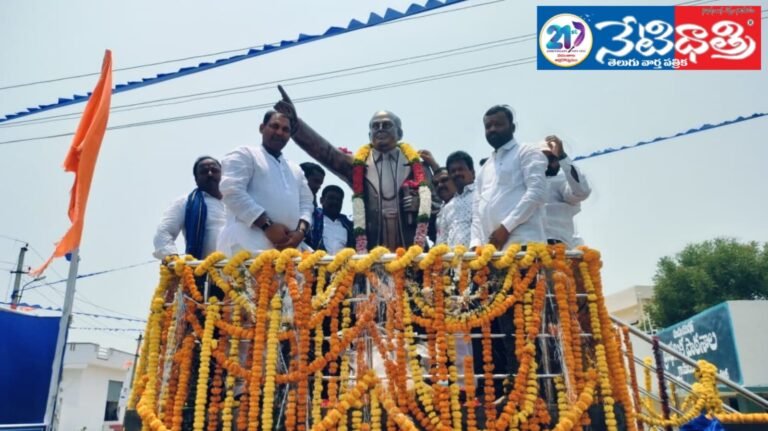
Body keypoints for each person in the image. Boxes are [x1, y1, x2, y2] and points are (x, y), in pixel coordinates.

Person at [274, 86, 434, 252]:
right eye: (375, 126)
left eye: (386, 125)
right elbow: (326, 153)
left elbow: (436, 203)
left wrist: (419, 204)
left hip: (412, 249)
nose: (380, 129)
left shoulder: (418, 167)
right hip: (372, 250)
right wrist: (295, 125)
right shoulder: (358, 165)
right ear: (369, 135)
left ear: (400, 133)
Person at [216, 111, 314, 255]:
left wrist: (300, 232)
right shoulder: (245, 154)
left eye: (285, 129)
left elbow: (307, 204)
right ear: (262, 128)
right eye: (275, 126)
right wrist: (267, 226)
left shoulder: (295, 169)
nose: (280, 132)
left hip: (289, 250)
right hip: (246, 245)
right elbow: (231, 192)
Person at [470, 105, 548, 251]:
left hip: (524, 244)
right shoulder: (485, 167)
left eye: (498, 124)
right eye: (488, 126)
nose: (492, 129)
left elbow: (537, 193)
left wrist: (506, 228)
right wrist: (475, 244)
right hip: (491, 250)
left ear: (512, 127)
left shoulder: (527, 152)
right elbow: (476, 210)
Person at [153, 156, 226, 260]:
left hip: (244, 271)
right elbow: (163, 231)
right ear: (196, 179)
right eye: (204, 172)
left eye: (214, 170)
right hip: (205, 271)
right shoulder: (185, 202)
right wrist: (172, 258)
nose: (210, 174)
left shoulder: (237, 201)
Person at [541, 135, 591, 248]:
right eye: (545, 159)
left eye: (553, 159)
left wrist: (562, 155)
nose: (549, 163)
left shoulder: (562, 181)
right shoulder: (523, 184)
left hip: (557, 247)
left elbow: (582, 192)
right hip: (527, 246)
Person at [307, 185, 354, 255]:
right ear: (321, 200)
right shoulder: (312, 219)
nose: (335, 202)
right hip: (316, 263)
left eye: (338, 200)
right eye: (331, 198)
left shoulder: (348, 225)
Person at [442, 150, 476, 247]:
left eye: (461, 169)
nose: (457, 173)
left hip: (477, 257)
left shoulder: (482, 196)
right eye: (453, 171)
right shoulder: (448, 207)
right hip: (453, 260)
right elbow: (443, 240)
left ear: (472, 172)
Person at [432, 167, 457, 245]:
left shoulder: (467, 201)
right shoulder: (441, 210)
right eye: (436, 184)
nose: (439, 185)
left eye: (444, 180)